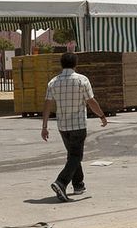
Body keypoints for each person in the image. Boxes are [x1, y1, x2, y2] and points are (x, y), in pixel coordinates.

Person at [40, 51, 107, 200]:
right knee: (76, 156)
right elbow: (91, 101)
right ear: (75, 64)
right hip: (78, 125)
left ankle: (78, 184)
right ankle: (61, 182)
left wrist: (44, 126)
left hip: (63, 126)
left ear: (61, 64)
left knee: (73, 156)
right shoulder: (82, 80)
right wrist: (101, 116)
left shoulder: (53, 82)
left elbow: (47, 104)